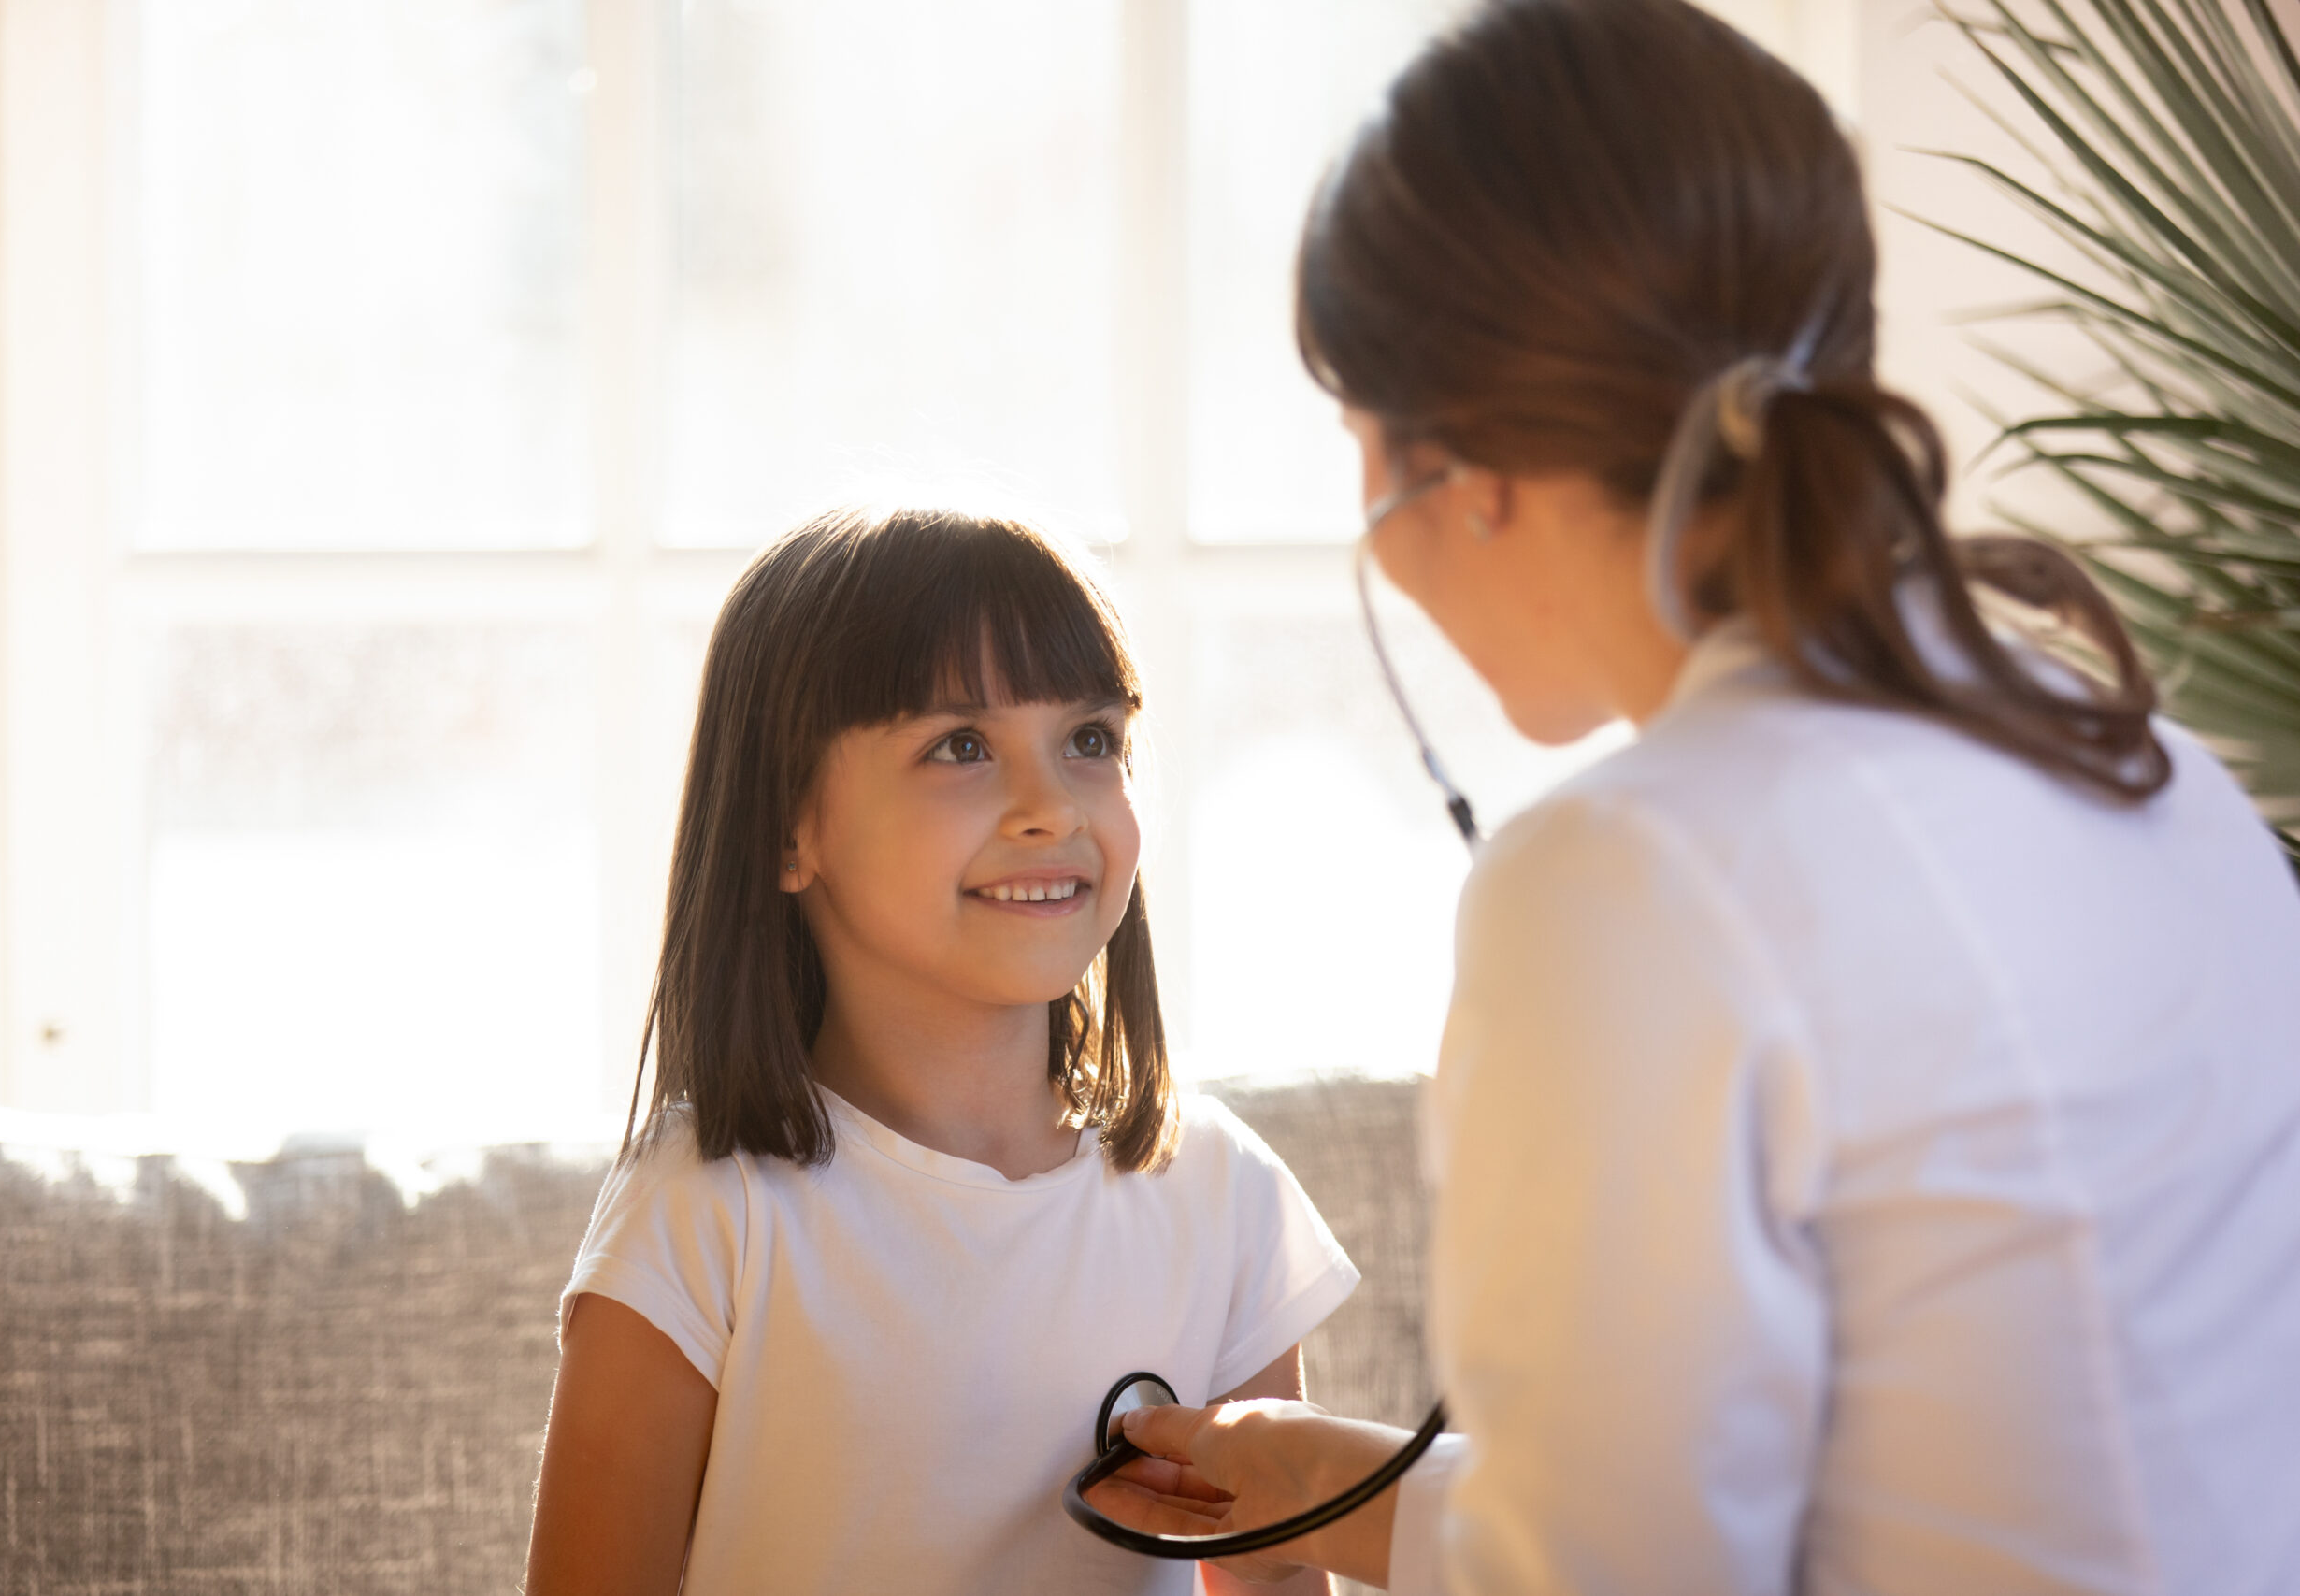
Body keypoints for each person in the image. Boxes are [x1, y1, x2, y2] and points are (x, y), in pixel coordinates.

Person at [1087, 1, 2300, 1590]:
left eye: (1360, 447)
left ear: (1465, 477)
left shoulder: (1631, 881)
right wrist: (1355, 1483)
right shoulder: (2132, 758)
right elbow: (1927, 1477)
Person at [522, 506, 1357, 1596]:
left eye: (1090, 740)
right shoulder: (705, 1212)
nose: (1050, 805)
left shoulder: (1221, 1193)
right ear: (787, 825)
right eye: (961, 747)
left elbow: (1276, 1580)